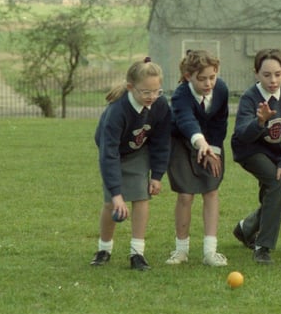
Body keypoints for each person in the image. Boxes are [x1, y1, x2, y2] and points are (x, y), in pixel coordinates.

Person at [91, 57, 171, 271]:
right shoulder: (117, 111)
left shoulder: (160, 105)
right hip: (114, 152)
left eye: (156, 91)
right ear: (130, 87)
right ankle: (104, 249)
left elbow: (161, 141)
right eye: (146, 92)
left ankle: (137, 253)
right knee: (110, 204)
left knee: (141, 196)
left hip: (138, 152)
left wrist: (157, 176)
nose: (152, 97)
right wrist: (116, 193)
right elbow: (108, 153)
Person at [230, 48, 281, 264]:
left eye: (278, 74)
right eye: (266, 75)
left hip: (273, 152)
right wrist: (259, 122)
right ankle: (262, 247)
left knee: (279, 189)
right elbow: (242, 133)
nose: (273, 80)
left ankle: (246, 228)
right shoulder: (250, 98)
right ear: (256, 74)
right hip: (248, 150)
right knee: (277, 184)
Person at [165, 50, 229, 267]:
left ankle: (210, 252)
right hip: (182, 142)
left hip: (211, 144)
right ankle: (181, 251)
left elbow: (220, 124)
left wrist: (214, 151)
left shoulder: (221, 90)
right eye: (201, 79)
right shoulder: (181, 94)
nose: (208, 83)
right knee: (186, 195)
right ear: (188, 76)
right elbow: (186, 120)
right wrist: (200, 143)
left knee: (211, 191)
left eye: (212, 77)